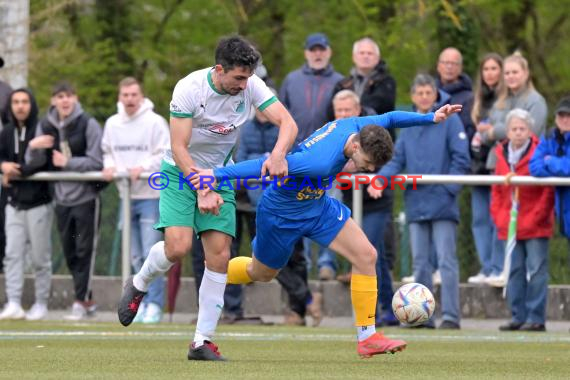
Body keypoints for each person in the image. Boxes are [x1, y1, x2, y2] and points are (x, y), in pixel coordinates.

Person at [192, 104, 463, 358]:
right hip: (280, 214)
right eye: (366, 162)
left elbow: (391, 118)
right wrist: (213, 175)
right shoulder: (318, 161)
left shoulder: (361, 126)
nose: (368, 169)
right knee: (260, 273)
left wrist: (430, 118)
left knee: (367, 255)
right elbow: (264, 167)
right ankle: (215, 275)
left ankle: (367, 337)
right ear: (355, 145)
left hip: (317, 206)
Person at [117, 36, 298, 361]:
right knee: (179, 248)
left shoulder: (251, 85)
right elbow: (179, 147)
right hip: (179, 174)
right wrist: (202, 189)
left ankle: (202, 342)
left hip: (220, 175)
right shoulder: (189, 89)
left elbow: (288, 122)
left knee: (219, 255)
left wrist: (278, 154)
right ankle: (140, 281)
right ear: (219, 69)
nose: (245, 85)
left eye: (248, 78)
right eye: (238, 78)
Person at [370, 74, 470, 330]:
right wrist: (380, 180)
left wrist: (449, 189)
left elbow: (461, 159)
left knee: (447, 260)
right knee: (420, 262)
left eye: (429, 92)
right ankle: (423, 317)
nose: (425, 97)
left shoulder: (451, 120)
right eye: (420, 93)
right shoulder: (410, 125)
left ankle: (450, 316)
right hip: (416, 203)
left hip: (443, 203)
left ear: (435, 94)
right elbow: (397, 159)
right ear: (413, 97)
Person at [27, 81, 104, 320]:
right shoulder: (45, 124)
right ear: (53, 101)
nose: (65, 101)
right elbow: (33, 163)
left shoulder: (88, 123)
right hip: (61, 199)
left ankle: (80, 302)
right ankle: (87, 300)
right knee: (70, 253)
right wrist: (32, 147)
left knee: (84, 251)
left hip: (86, 198)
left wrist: (68, 163)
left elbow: (97, 161)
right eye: (60, 96)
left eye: (69, 96)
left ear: (75, 98)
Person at [102, 77, 170, 323]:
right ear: (120, 97)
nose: (129, 99)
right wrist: (109, 167)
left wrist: (142, 167)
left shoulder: (155, 122)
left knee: (152, 254)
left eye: (134, 95)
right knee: (133, 256)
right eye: (125, 95)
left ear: (141, 96)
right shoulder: (112, 124)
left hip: (150, 196)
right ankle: (136, 303)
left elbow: (164, 153)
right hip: (126, 196)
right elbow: (107, 151)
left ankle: (154, 305)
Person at [332, 89, 398, 327]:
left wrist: (379, 179)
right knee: (372, 254)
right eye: (338, 110)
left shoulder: (374, 131)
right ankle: (388, 307)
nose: (342, 114)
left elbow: (392, 158)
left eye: (347, 110)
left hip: (377, 201)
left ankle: (377, 313)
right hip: (352, 199)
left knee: (368, 253)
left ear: (357, 111)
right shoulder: (334, 133)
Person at [492, 109, 554, 332]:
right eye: (514, 129)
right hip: (510, 224)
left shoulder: (539, 151)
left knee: (536, 270)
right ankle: (518, 316)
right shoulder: (500, 153)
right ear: (507, 132)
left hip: (536, 223)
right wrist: (500, 217)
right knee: (515, 270)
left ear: (530, 131)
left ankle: (536, 318)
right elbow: (497, 190)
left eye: (522, 129)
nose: (518, 133)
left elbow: (547, 190)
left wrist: (536, 217)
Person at [0, 89, 53, 320]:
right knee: (12, 255)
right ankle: (13, 302)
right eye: (15, 102)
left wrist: (16, 169)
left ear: (31, 104)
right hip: (13, 204)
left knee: (41, 257)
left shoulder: (41, 128)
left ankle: (41, 303)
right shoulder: (7, 132)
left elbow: (42, 162)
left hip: (38, 204)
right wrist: (3, 167)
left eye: (24, 102)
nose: (20, 106)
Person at [467, 53, 505, 285]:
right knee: (479, 219)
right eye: (486, 69)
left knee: (496, 218)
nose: (490, 73)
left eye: (494, 68)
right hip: (478, 166)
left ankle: (498, 267)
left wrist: (489, 132)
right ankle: (486, 266)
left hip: (497, 167)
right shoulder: (477, 100)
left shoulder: (506, 100)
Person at [530, 96, 570, 260]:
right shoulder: (549, 138)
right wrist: (559, 167)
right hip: (564, 214)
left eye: (569, 116)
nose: (565, 119)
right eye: (561, 115)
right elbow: (535, 167)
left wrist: (551, 161)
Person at [436, 47, 475, 139]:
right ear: (438, 66)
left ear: (460, 68)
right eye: (445, 63)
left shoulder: (469, 98)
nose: (449, 67)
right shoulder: (428, 93)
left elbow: (467, 130)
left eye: (454, 63)